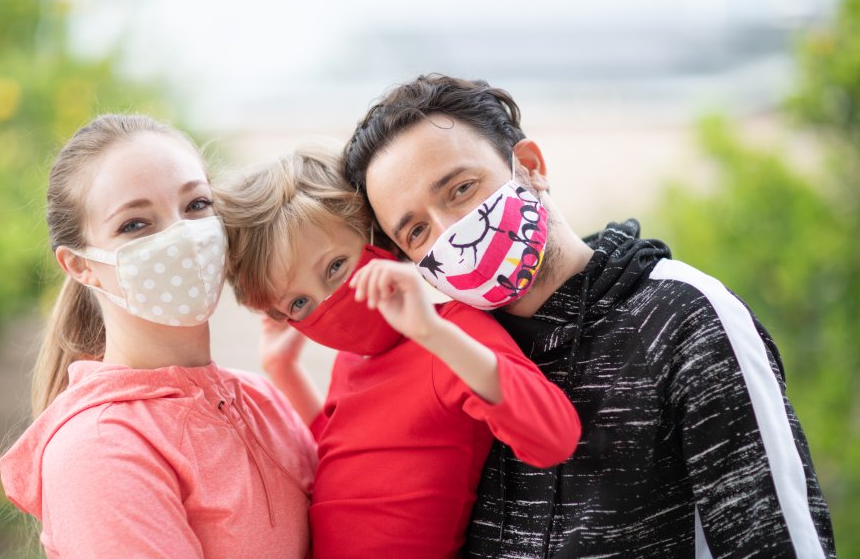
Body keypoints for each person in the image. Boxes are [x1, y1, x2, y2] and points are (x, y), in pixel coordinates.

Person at [342, 74, 836, 557]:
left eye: (461, 189)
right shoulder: (450, 360)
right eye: (417, 232)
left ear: (531, 166)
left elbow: (778, 540)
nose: (452, 232)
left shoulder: (685, 318)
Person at [215, 144, 581, 557]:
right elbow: (352, 470)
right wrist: (286, 373)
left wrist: (431, 331)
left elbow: (554, 436)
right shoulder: (351, 361)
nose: (329, 303)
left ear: (381, 241)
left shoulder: (450, 329)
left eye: (336, 267)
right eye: (299, 303)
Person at [0, 114, 317, 557]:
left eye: (197, 205)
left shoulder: (261, 398)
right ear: (80, 265)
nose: (183, 235)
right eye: (135, 224)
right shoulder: (100, 447)